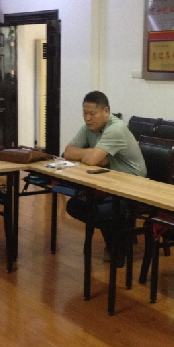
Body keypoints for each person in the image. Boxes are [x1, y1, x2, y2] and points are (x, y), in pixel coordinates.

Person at [63, 91, 147, 263]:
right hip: (109, 183)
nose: (87, 118)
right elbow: (68, 152)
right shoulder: (89, 127)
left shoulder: (115, 129)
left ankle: (118, 245)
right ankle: (116, 241)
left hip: (131, 187)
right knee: (75, 205)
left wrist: (91, 155)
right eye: (85, 113)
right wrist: (90, 151)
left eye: (92, 114)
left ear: (106, 112)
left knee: (101, 210)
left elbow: (91, 160)